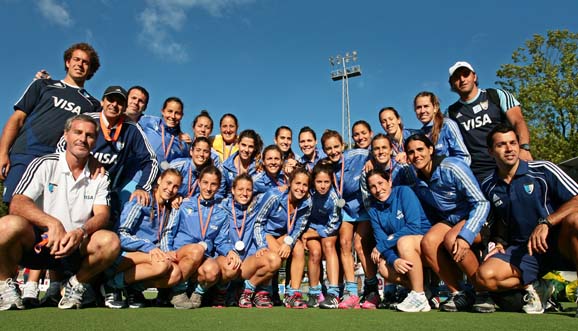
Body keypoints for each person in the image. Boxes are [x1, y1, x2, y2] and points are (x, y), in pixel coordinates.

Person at [0, 114, 120, 311]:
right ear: (65, 135)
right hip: (40, 242)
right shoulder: (45, 163)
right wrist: (52, 224)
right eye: (78, 132)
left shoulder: (100, 174)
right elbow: (18, 203)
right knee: (6, 225)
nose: (83, 139)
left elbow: (102, 215)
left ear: (95, 141)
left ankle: (75, 284)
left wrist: (80, 232)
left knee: (110, 241)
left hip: (74, 245)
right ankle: (5, 286)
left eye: (89, 135)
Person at [476, 124, 578, 315]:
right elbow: (494, 220)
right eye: (501, 145)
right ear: (490, 151)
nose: (509, 149)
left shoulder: (543, 169)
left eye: (513, 143)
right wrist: (497, 241)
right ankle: (539, 287)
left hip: (560, 243)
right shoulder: (489, 185)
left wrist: (547, 222)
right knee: (484, 277)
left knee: (576, 220)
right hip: (525, 250)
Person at [0, 42, 101, 204]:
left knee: (43, 214)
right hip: (26, 155)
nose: (80, 64)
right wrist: (2, 153)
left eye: (85, 62)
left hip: (58, 164)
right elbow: (17, 119)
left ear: (90, 70)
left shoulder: (93, 105)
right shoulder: (43, 85)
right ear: (68, 62)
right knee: (14, 207)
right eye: (76, 59)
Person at [405, 133, 489, 312]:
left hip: (478, 216)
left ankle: (483, 292)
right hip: (450, 220)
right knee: (428, 242)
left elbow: (481, 203)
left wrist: (466, 235)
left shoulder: (452, 166)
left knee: (453, 239)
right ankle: (459, 293)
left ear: (431, 149)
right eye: (411, 152)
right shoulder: (417, 177)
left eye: (420, 149)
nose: (416, 155)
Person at [108, 169, 184, 309]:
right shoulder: (142, 199)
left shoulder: (170, 207)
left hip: (150, 255)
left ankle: (134, 289)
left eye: (176, 186)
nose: (170, 189)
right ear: (159, 180)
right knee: (162, 265)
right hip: (126, 254)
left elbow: (166, 234)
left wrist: (167, 251)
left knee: (176, 273)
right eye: (168, 183)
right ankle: (111, 285)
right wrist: (150, 247)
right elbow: (121, 234)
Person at [447, 61, 533, 182]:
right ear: (452, 83)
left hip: (510, 162)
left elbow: (518, 121)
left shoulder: (497, 95)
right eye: (457, 77)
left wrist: (524, 148)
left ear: (474, 76)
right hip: (481, 174)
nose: (462, 79)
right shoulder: (451, 113)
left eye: (466, 74)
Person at [321, 130, 377, 309]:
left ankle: (372, 288)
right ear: (324, 150)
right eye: (328, 148)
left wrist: (372, 160)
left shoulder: (357, 154)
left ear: (343, 146)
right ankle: (352, 293)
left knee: (359, 245)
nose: (333, 151)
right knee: (344, 244)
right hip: (345, 209)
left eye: (336, 147)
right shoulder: (326, 166)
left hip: (364, 208)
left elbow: (377, 151)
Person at [366, 168, 432, 312]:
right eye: (372, 186)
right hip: (402, 249)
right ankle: (422, 291)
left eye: (381, 183)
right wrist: (394, 260)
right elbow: (381, 239)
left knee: (404, 242)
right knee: (383, 266)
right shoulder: (373, 210)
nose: (378, 189)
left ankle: (419, 295)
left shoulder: (404, 192)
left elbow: (414, 227)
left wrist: (382, 245)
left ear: (389, 181)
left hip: (425, 246)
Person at [217, 174, 283, 308]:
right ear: (233, 190)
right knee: (230, 269)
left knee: (273, 260)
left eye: (248, 190)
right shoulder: (221, 206)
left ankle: (246, 291)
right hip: (227, 259)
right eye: (240, 189)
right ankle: (220, 292)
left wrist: (287, 184)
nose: (245, 193)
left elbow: (274, 195)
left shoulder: (257, 206)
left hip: (248, 264)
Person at [171, 166, 231, 309]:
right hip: (180, 256)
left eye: (213, 184)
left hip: (201, 257)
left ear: (218, 187)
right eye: (205, 183)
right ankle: (177, 291)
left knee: (213, 270)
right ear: (198, 182)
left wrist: (230, 251)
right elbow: (169, 231)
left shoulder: (221, 213)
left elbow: (221, 241)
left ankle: (197, 293)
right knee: (197, 249)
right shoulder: (183, 204)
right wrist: (167, 251)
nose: (208, 188)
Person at [254, 168, 312, 309]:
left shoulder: (307, 202)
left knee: (298, 247)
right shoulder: (274, 196)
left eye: (305, 185)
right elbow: (257, 222)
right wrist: (262, 245)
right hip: (265, 233)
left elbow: (298, 228)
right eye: (297, 183)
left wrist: (288, 243)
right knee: (276, 256)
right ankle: (263, 292)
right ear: (289, 183)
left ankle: (293, 294)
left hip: (284, 236)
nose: (301, 188)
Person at [300, 162, 342, 308]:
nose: (323, 186)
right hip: (310, 227)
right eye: (319, 182)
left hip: (327, 228)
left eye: (326, 182)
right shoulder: (308, 193)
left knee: (328, 245)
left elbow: (333, 224)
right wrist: (306, 233)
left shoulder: (334, 198)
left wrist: (315, 234)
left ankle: (333, 293)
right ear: (313, 182)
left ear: (331, 182)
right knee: (315, 252)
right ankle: (314, 293)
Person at [414, 91, 470, 164]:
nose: (422, 111)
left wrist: (453, 173)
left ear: (435, 108)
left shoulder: (447, 125)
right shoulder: (421, 134)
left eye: (426, 106)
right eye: (418, 107)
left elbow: (464, 156)